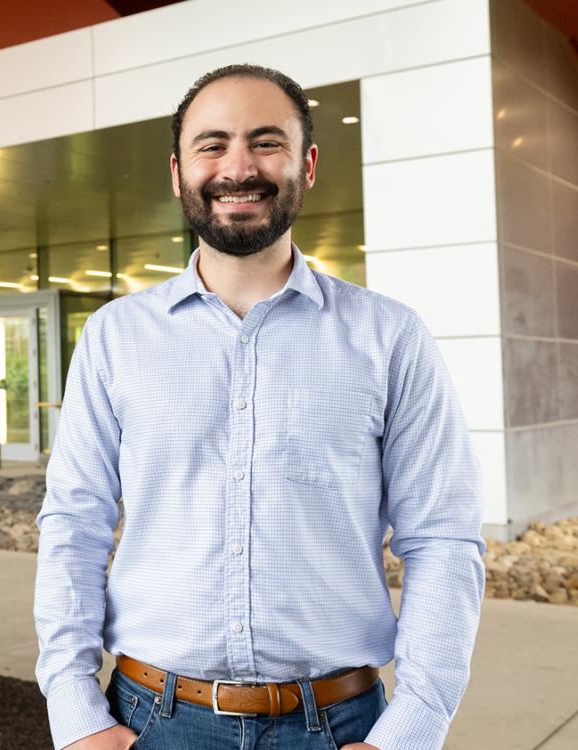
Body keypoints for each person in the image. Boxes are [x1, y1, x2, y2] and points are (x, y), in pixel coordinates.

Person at [33, 63, 485, 750]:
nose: (237, 166)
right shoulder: (115, 337)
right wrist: (73, 710)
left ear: (306, 164)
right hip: (147, 723)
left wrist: (415, 727)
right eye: (211, 145)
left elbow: (444, 539)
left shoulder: (388, 337)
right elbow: (74, 524)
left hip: (339, 726)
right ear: (177, 172)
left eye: (265, 141)